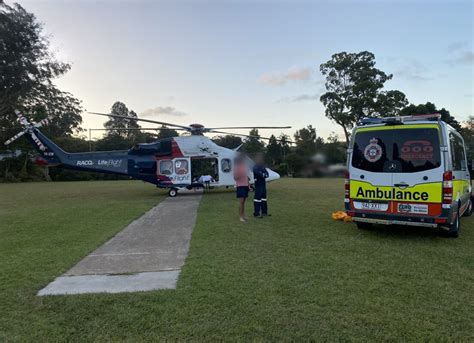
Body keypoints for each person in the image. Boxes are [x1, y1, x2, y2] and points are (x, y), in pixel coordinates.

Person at [252, 154, 269, 218]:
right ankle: (256, 213)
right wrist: (263, 175)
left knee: (264, 198)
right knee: (257, 198)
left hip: (263, 183)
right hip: (258, 184)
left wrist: (264, 174)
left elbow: (267, 173)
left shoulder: (262, 166)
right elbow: (258, 173)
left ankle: (264, 212)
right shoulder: (255, 167)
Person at [233, 155, 249, 222]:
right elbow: (235, 178)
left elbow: (246, 177)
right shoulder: (236, 167)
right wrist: (239, 175)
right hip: (240, 186)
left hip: (245, 185)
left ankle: (243, 215)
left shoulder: (244, 166)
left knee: (244, 202)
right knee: (241, 202)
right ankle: (241, 217)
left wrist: (249, 185)